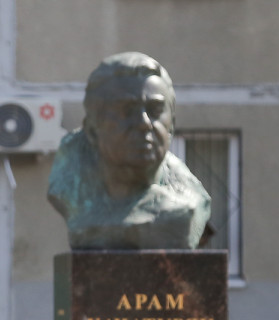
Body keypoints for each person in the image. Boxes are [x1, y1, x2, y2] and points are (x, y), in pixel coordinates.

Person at [47, 51, 211, 250]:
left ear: (172, 127)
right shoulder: (72, 188)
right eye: (126, 111)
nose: (144, 123)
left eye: (155, 110)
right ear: (92, 131)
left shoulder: (187, 203)